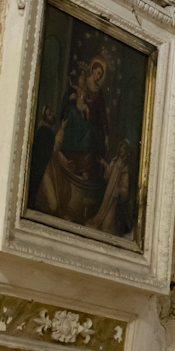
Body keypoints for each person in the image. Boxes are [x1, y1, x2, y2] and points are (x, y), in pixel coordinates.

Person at [33, 53, 132, 234]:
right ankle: (71, 155)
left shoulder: (99, 92)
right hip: (79, 119)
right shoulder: (83, 85)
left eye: (100, 74)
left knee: (90, 135)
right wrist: (75, 100)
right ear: (92, 71)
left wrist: (106, 134)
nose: (97, 76)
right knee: (76, 119)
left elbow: (102, 115)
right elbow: (72, 98)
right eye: (95, 72)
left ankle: (84, 166)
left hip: (92, 124)